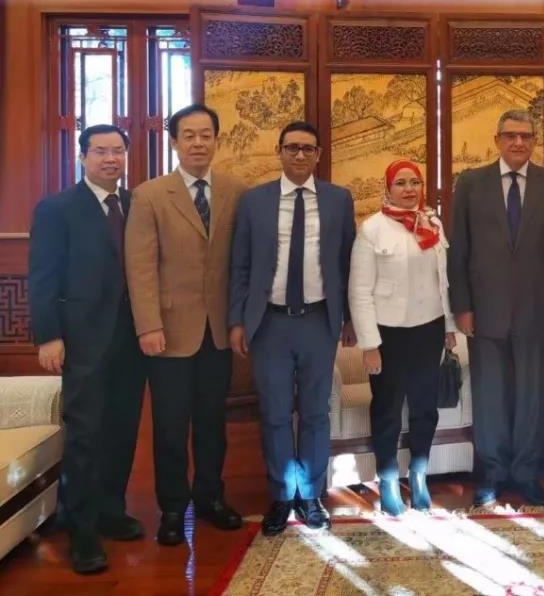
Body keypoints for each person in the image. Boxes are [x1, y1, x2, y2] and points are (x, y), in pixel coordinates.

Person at [125, 103, 246, 545]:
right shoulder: (150, 195)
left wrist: (239, 320)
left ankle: (211, 497)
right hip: (168, 332)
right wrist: (148, 326)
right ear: (174, 142)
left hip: (219, 331)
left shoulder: (236, 191)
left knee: (213, 422)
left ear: (217, 140)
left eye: (206, 135)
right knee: (171, 425)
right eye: (189, 135)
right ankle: (173, 508)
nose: (198, 143)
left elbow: (242, 263)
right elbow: (140, 267)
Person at [229, 121, 356, 535]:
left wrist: (349, 319)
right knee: (276, 412)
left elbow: (347, 264)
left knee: (316, 412)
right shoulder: (255, 201)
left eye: (307, 148)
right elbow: (240, 265)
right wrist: (237, 321)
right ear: (279, 151)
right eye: (292, 147)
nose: (300, 155)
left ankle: (312, 495)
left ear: (318, 155)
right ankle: (283, 496)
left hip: (320, 320)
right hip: (270, 323)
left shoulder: (338, 200)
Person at [28, 125, 146, 573]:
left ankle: (111, 510)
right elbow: (42, 275)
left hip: (132, 339)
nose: (110, 159)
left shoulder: (135, 204)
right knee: (85, 432)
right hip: (82, 339)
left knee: (122, 428)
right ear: (82, 157)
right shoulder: (57, 208)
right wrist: (48, 335)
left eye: (118, 151)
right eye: (100, 151)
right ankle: (80, 527)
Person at [449, 109, 544, 507]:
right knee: (490, 394)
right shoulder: (471, 183)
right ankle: (493, 472)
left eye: (526, 136)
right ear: (497, 140)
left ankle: (526, 473)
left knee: (532, 394)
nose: (518, 142)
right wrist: (462, 306)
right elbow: (459, 249)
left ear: (535, 141)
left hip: (536, 308)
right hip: (484, 310)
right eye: (510, 135)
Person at [349, 160, 457, 515]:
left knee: (425, 409)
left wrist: (449, 328)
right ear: (388, 188)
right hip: (388, 335)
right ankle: (388, 481)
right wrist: (369, 344)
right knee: (388, 411)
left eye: (415, 182)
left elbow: (443, 281)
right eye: (401, 183)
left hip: (429, 329)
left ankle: (420, 476)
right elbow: (359, 291)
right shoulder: (372, 229)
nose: (409, 189)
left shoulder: (432, 223)